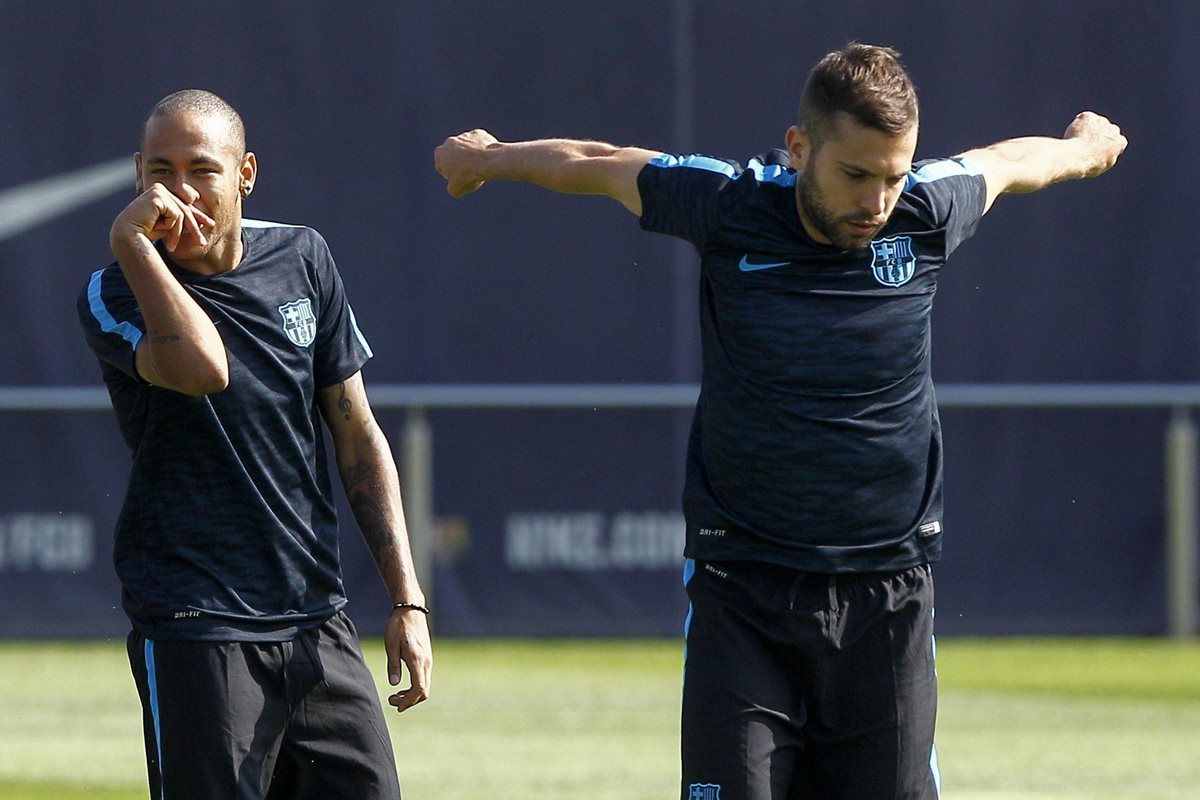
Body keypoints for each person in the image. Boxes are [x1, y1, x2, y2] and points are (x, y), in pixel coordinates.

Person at [435, 43, 1125, 800]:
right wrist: (491, 158)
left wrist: (1083, 150)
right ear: (800, 148)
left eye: (893, 176)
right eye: (854, 174)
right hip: (746, 592)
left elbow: (1003, 163)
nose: (876, 200)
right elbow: (596, 161)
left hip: (887, 594)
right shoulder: (731, 205)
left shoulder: (924, 211)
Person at [78, 89, 432, 800]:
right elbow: (203, 369)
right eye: (160, 171)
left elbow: (357, 432)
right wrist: (131, 244)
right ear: (137, 175)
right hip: (195, 625)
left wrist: (407, 601)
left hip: (316, 620)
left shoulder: (304, 257)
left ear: (245, 174)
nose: (179, 193)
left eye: (202, 170)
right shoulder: (115, 290)